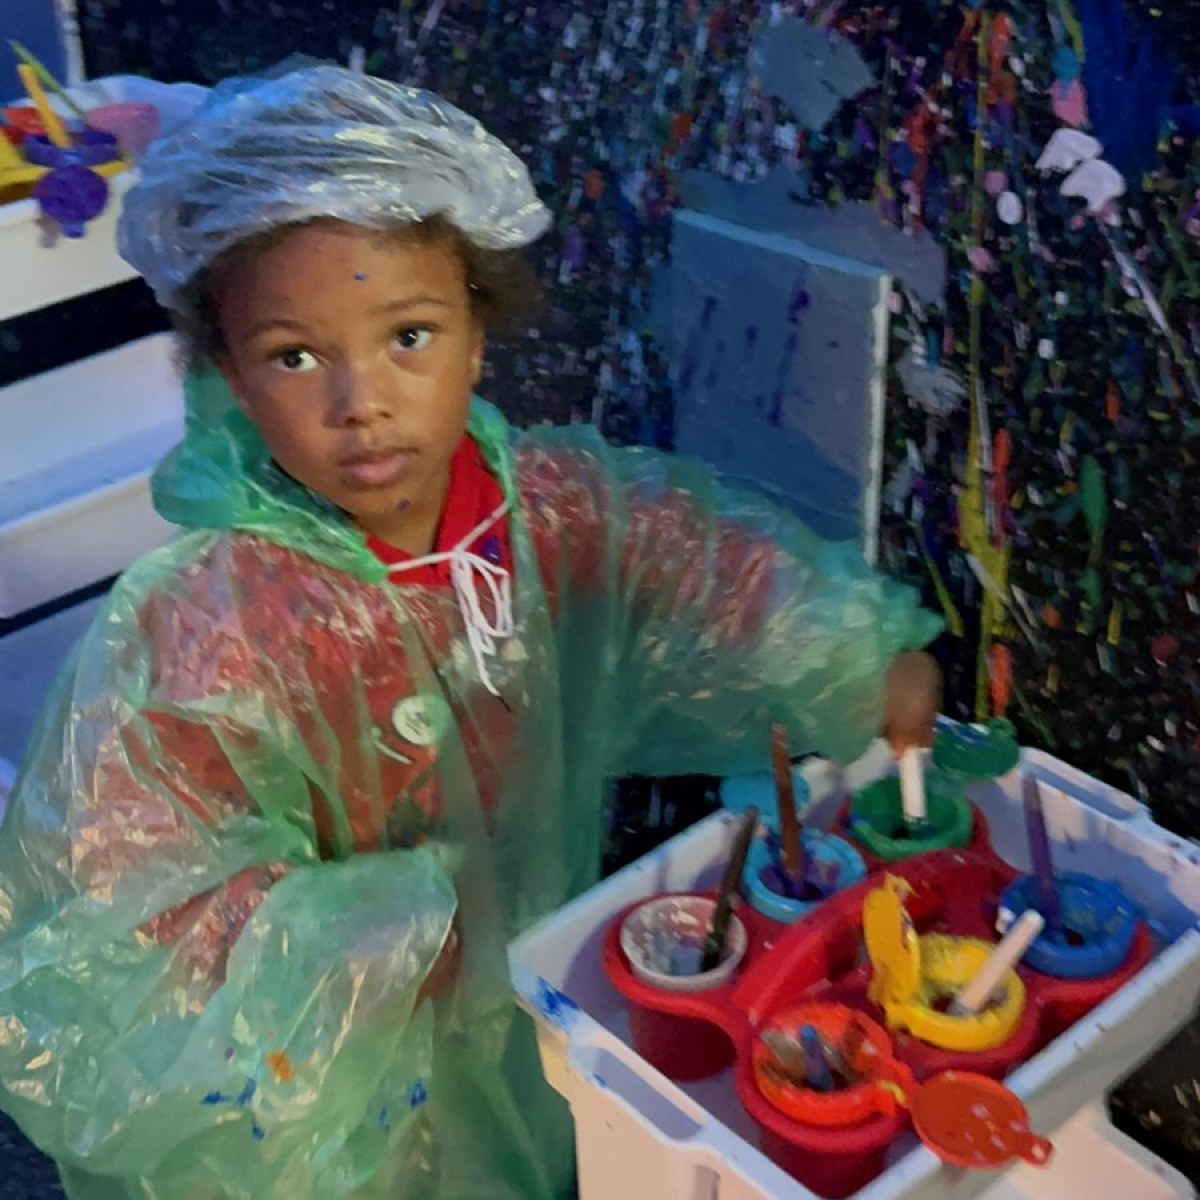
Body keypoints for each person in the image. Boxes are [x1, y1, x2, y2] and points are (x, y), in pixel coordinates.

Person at [0, 68, 941, 1200]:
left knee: (541, 1146)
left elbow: (699, 575)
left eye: (408, 335)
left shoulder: (543, 511)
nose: (362, 400)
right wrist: (379, 940)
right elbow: (123, 912)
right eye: (295, 356)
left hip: (534, 996)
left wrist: (850, 660)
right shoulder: (204, 628)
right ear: (231, 378)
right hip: (332, 1087)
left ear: (478, 336)